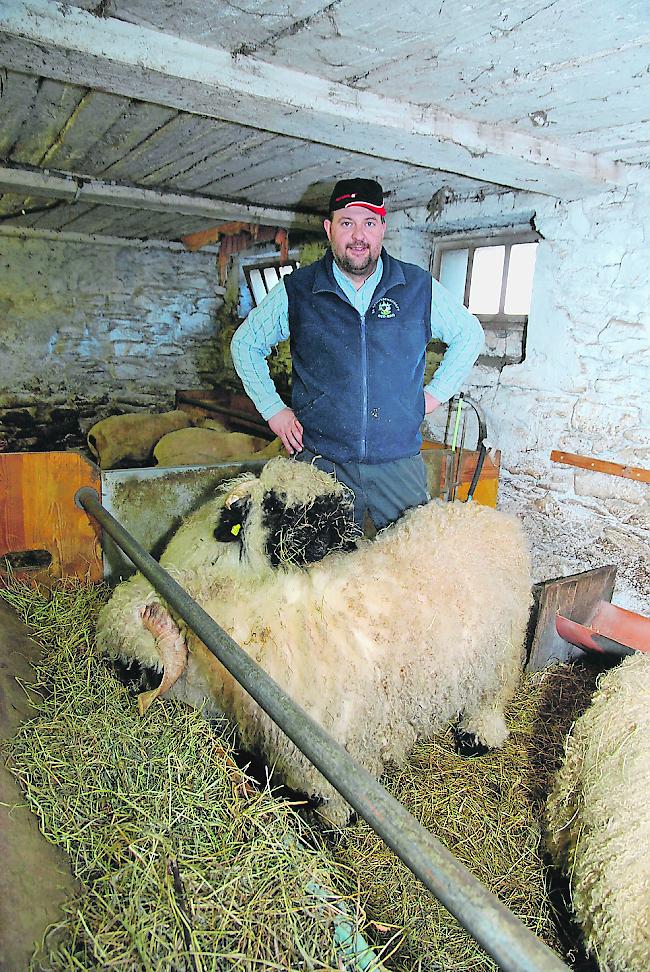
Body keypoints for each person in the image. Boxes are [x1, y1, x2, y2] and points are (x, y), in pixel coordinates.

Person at [231, 178, 484, 530]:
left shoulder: (417, 287)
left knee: (409, 569)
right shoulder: (298, 290)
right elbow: (245, 344)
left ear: (382, 227)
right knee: (316, 572)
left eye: (369, 223)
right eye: (346, 223)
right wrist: (274, 410)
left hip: (398, 463)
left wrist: (432, 396)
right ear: (329, 229)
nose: (358, 235)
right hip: (321, 464)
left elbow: (469, 335)